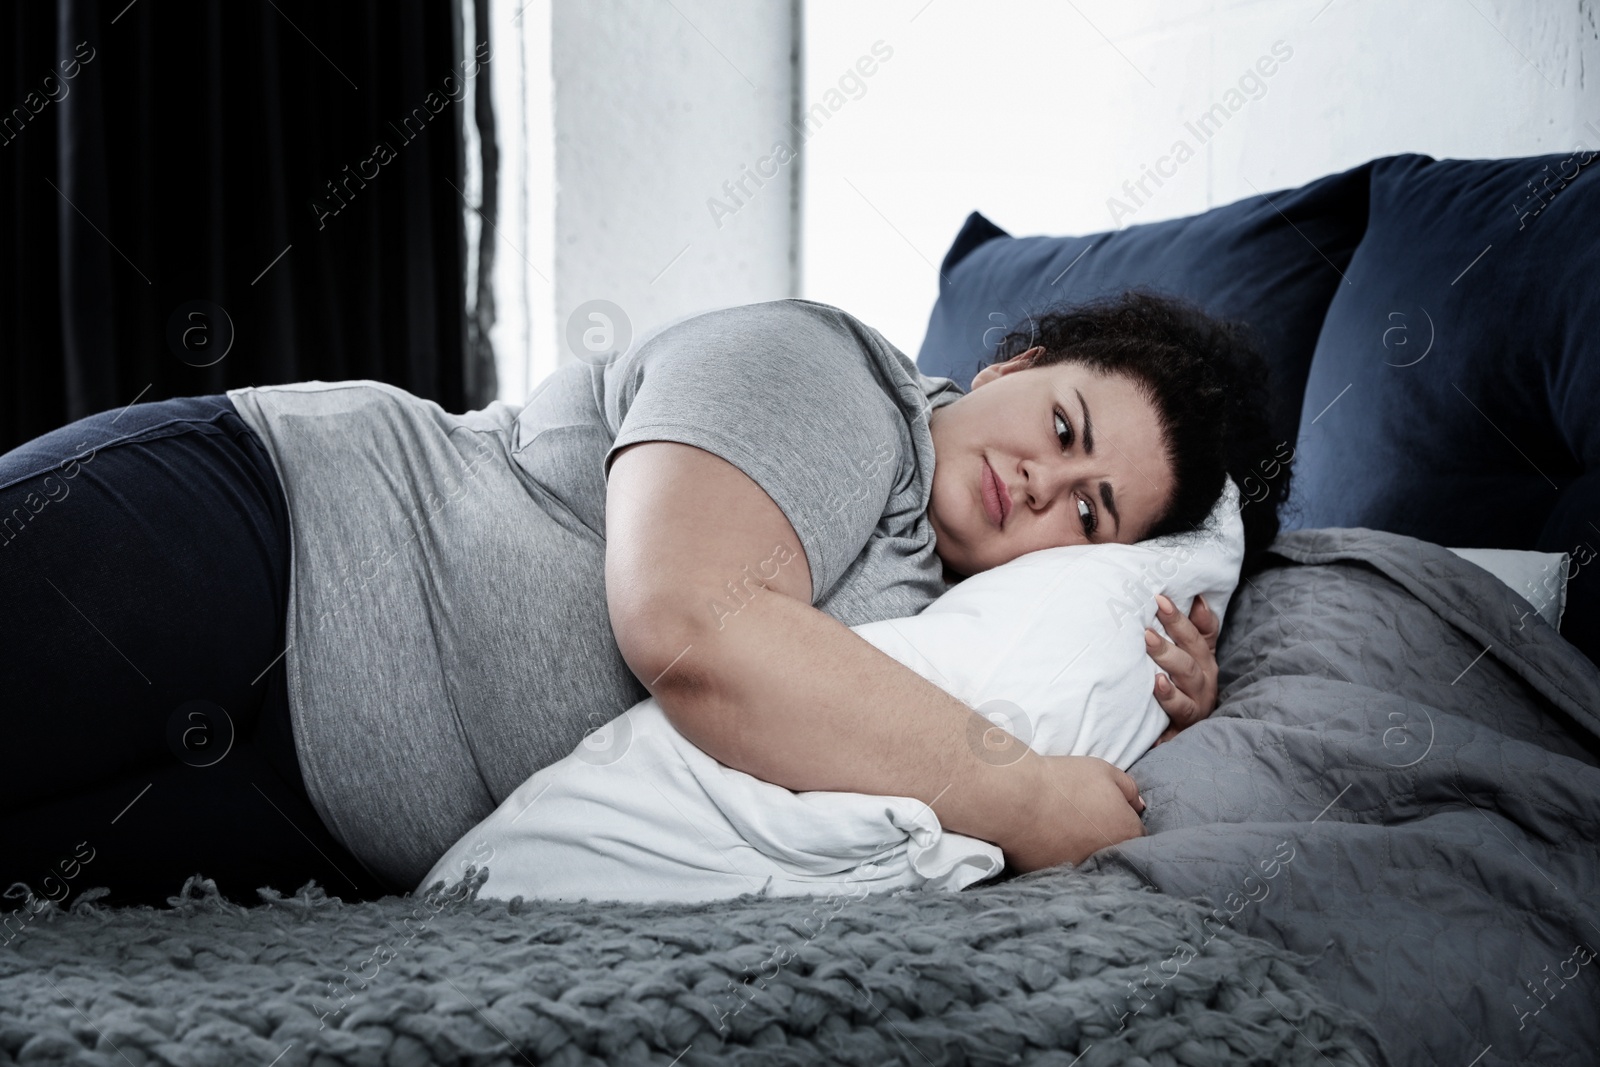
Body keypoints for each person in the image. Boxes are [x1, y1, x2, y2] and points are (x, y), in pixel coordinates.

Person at [0, 290, 1286, 911]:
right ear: (1012, 361)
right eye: (1062, 425)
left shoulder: (945, 628)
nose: (1042, 481)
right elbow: (690, 622)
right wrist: (1023, 789)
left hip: (300, 817)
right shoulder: (826, 372)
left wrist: (1154, 696)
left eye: (1089, 511)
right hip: (249, 554)